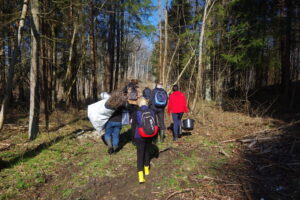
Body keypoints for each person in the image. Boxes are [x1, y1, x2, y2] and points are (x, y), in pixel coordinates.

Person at [135, 97, 158, 183]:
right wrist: (155, 137)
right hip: (149, 134)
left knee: (140, 155)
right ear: (146, 103)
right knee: (147, 151)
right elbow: (155, 124)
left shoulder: (137, 112)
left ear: (139, 104)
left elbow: (134, 125)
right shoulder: (152, 111)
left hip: (139, 135)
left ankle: (141, 177)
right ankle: (147, 170)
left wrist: (133, 138)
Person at [104, 90, 126, 154]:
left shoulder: (109, 103)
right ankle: (115, 148)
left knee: (107, 134)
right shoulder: (123, 103)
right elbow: (127, 108)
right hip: (119, 122)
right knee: (116, 135)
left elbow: (105, 107)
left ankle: (110, 146)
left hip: (110, 121)